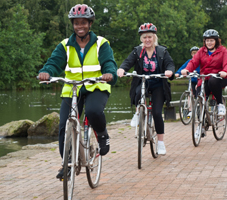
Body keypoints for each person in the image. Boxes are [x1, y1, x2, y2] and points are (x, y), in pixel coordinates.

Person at [38, 4, 117, 179]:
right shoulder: (65, 45)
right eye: (76, 23)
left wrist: (109, 74)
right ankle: (67, 163)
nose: (80, 26)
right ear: (73, 25)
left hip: (96, 86)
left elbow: (109, 63)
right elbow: (53, 62)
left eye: (83, 23)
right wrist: (46, 72)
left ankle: (102, 134)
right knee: (64, 126)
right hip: (72, 88)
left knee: (93, 111)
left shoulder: (101, 43)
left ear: (90, 24)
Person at [117, 23, 175, 155]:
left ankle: (160, 143)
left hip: (158, 84)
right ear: (141, 39)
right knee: (137, 93)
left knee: (156, 113)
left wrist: (169, 71)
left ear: (154, 37)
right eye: (144, 37)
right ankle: (138, 113)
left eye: (149, 37)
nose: (147, 40)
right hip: (143, 82)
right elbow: (128, 61)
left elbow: (170, 64)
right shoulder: (138, 51)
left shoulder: (162, 51)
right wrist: (122, 69)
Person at [181, 29, 227, 118]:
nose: (209, 43)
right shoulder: (201, 51)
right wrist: (186, 69)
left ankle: (220, 104)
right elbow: (193, 62)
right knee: (199, 95)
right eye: (207, 40)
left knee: (213, 81)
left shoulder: (223, 51)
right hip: (204, 79)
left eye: (211, 40)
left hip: (219, 78)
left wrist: (225, 71)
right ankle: (202, 126)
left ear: (216, 41)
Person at [175, 46, 200, 118]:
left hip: (199, 80)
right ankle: (190, 110)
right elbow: (183, 68)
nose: (194, 55)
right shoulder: (189, 61)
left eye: (196, 53)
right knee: (190, 95)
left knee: (200, 95)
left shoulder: (200, 62)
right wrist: (178, 73)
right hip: (192, 81)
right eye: (193, 53)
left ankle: (201, 110)